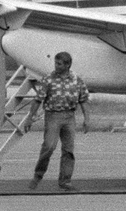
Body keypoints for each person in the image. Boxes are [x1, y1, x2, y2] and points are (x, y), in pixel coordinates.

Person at [29, 51, 91, 191]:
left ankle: (65, 181)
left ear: (67, 65)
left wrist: (87, 119)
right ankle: (38, 175)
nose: (56, 66)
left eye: (59, 63)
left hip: (69, 116)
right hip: (53, 116)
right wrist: (30, 118)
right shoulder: (48, 79)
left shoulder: (76, 80)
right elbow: (38, 100)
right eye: (55, 63)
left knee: (68, 150)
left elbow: (84, 100)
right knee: (49, 146)